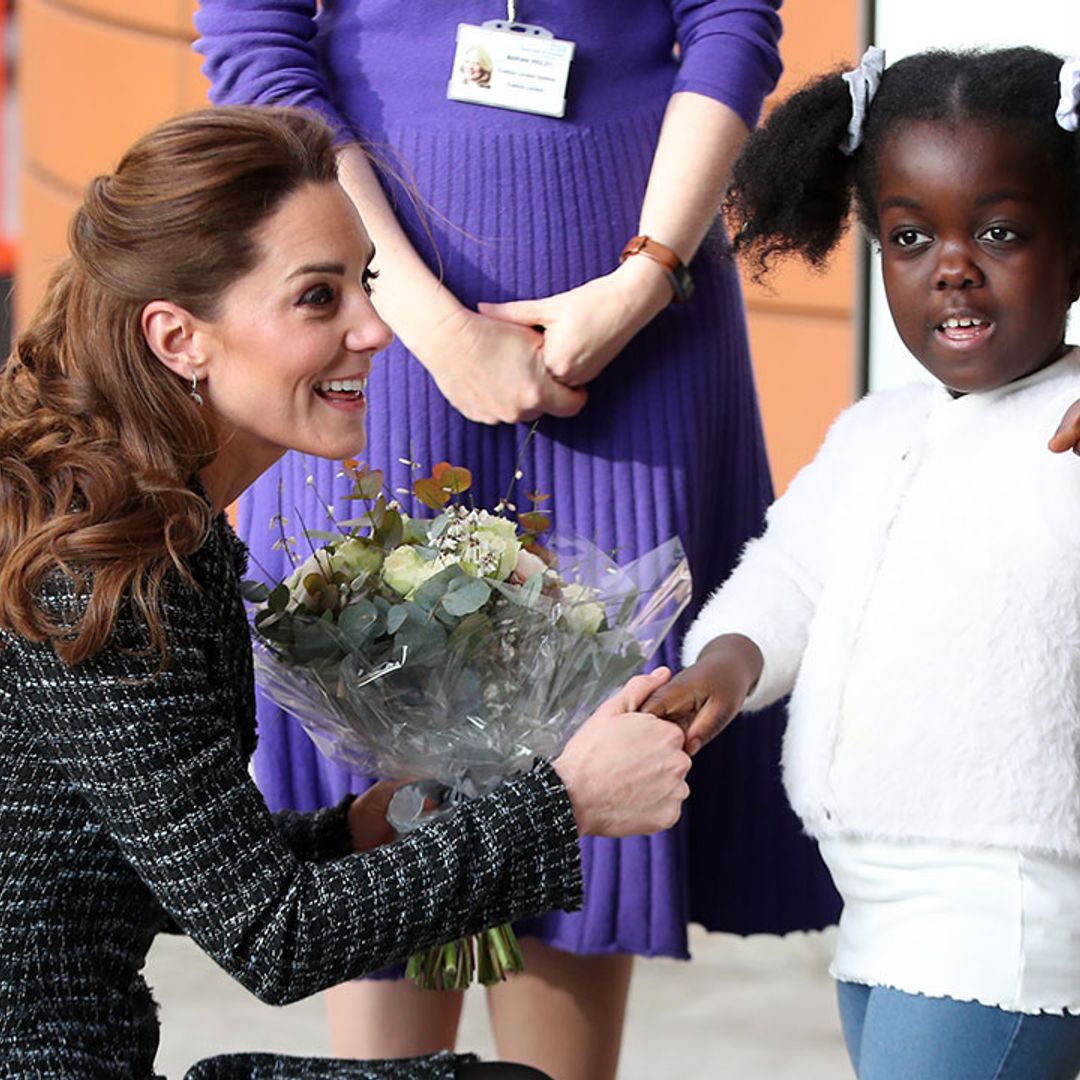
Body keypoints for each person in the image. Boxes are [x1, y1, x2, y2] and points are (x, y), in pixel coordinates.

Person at [192, 6, 841, 1076]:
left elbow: (730, 17)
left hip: (637, 315)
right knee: (375, 744)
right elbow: (255, 43)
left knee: (596, 719)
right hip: (369, 317)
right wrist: (420, 321)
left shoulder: (645, 292)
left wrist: (648, 275)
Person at [0, 104, 695, 1080]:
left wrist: (365, 827)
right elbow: (272, 939)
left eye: (364, 284)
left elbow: (158, 869)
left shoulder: (147, 524)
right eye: (319, 299)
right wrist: (566, 800)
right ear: (177, 337)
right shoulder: (101, 569)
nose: (375, 329)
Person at [644, 45, 1080, 1080]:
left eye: (1002, 231)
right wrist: (730, 664)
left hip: (1004, 914)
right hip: (875, 902)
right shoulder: (877, 431)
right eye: (911, 236)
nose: (954, 264)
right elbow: (790, 573)